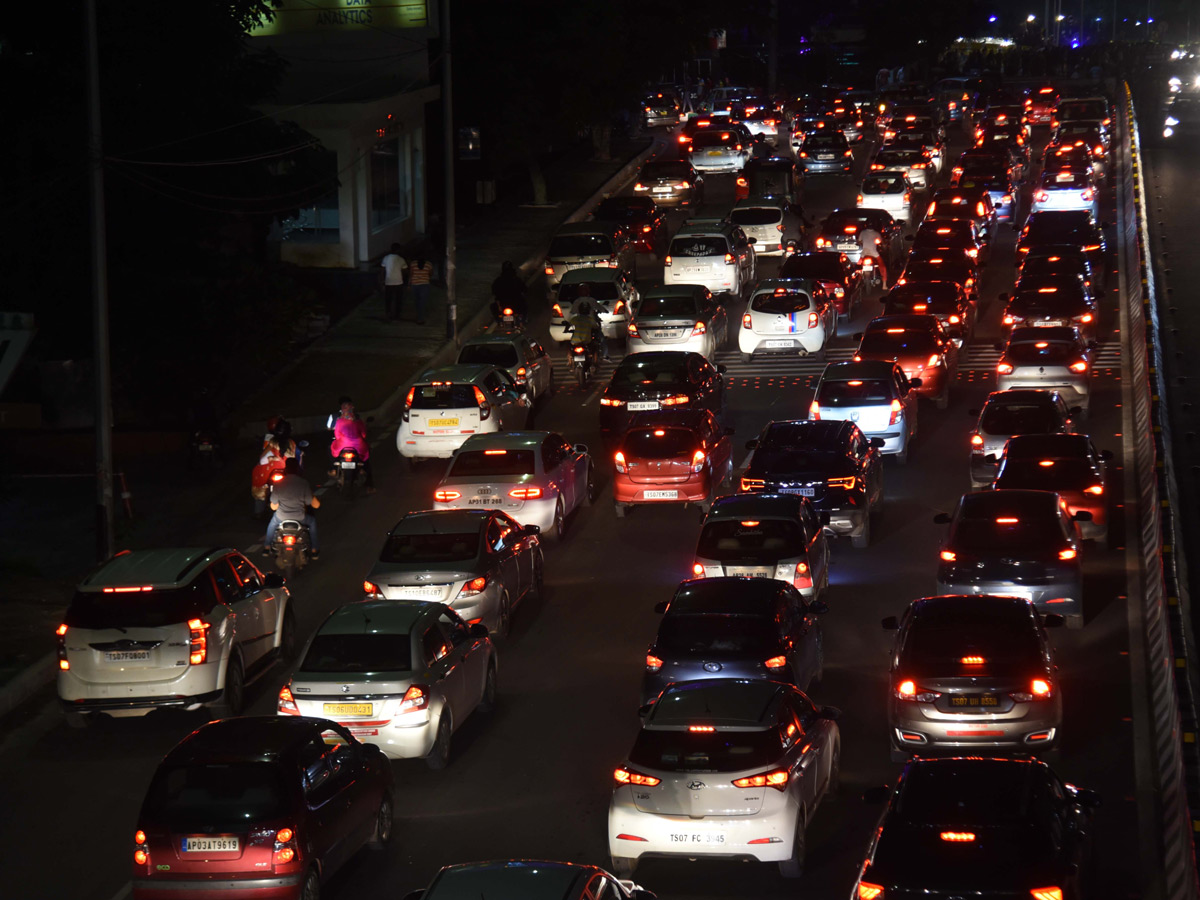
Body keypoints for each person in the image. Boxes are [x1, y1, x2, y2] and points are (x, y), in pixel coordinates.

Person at [263, 458, 321, 559]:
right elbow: (309, 502)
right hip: (300, 517)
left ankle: (267, 547)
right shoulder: (303, 483)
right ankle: (314, 550)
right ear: (297, 469)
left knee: (272, 524)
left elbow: (273, 505)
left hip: (281, 517)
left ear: (286, 469)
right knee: (312, 522)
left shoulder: (278, 483)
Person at [329, 398, 375, 493]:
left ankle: (333, 469)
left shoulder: (339, 421)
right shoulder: (358, 421)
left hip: (342, 445)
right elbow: (364, 435)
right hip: (358, 446)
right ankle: (368, 482)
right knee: (366, 459)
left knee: (332, 448)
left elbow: (337, 435)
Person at [568, 286, 608, 360]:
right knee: (601, 339)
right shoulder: (592, 300)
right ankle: (605, 355)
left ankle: (570, 360)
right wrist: (605, 311)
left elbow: (572, 313)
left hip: (579, 324)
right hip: (591, 325)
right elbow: (600, 308)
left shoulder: (577, 301)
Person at [381, 243, 407, 320]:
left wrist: (382, 280)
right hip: (398, 281)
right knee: (398, 299)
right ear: (398, 250)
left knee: (388, 298)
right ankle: (397, 314)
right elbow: (405, 270)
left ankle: (388, 312)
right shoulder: (401, 259)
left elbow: (382, 270)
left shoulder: (386, 258)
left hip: (388, 281)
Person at [408, 256, 434, 325]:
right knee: (422, 302)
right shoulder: (429, 264)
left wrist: (409, 284)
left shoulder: (413, 264)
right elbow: (431, 274)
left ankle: (419, 316)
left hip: (414, 284)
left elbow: (411, 274)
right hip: (425, 284)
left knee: (417, 301)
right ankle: (420, 318)